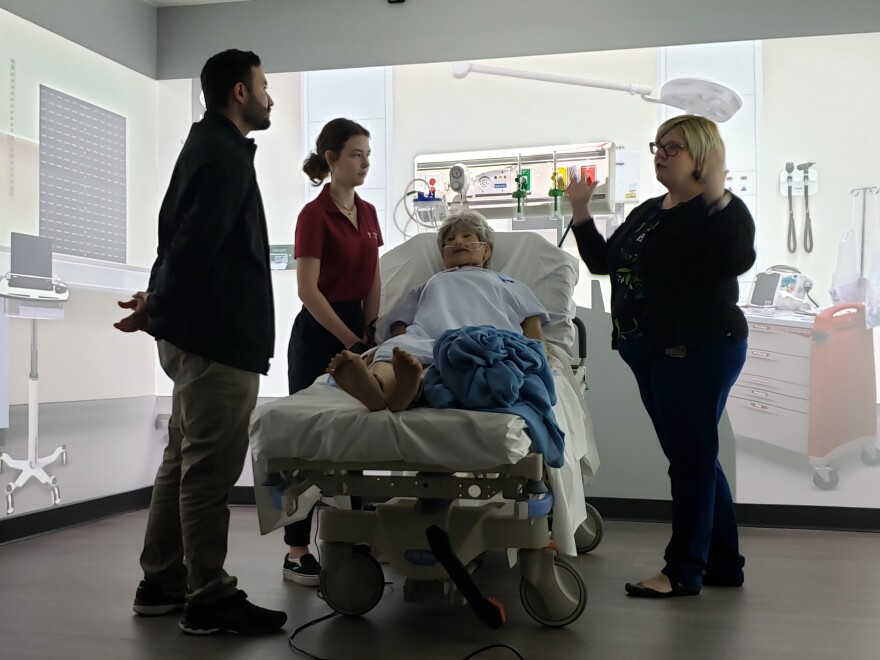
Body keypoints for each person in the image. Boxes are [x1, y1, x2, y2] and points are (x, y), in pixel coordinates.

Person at [114, 49, 287, 634]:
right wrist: (159, 302)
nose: (270, 97)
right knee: (208, 473)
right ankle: (207, 596)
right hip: (217, 339)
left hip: (194, 333)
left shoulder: (205, 148)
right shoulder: (224, 157)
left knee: (180, 463)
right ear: (240, 92)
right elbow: (196, 244)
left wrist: (157, 301)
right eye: (264, 87)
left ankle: (161, 581)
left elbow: (180, 238)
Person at [566, 115, 756, 598]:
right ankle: (723, 564)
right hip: (649, 352)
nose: (661, 154)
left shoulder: (720, 213)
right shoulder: (652, 210)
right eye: (659, 145)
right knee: (696, 458)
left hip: (699, 350)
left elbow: (738, 256)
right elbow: (604, 263)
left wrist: (716, 191)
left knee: (690, 462)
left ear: (702, 156)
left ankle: (682, 571)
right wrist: (581, 210)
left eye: (673, 148)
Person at [282, 118, 383, 586]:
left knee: (358, 437)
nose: (364, 162)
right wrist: (350, 338)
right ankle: (297, 550)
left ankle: (360, 537)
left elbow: (374, 277)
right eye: (356, 154)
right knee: (307, 444)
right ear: (331, 159)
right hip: (319, 333)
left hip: (357, 331)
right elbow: (307, 291)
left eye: (367, 154)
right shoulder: (313, 216)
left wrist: (371, 329)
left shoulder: (368, 212)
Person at [327, 210, 549, 415]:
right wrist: (394, 346)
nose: (457, 242)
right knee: (391, 357)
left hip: (481, 343)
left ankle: (407, 390)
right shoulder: (431, 283)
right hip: (425, 339)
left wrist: (538, 356)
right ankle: (377, 387)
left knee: (435, 366)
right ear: (443, 257)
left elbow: (532, 323)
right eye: (450, 241)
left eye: (467, 237)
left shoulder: (507, 283)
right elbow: (400, 321)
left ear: (486, 251)